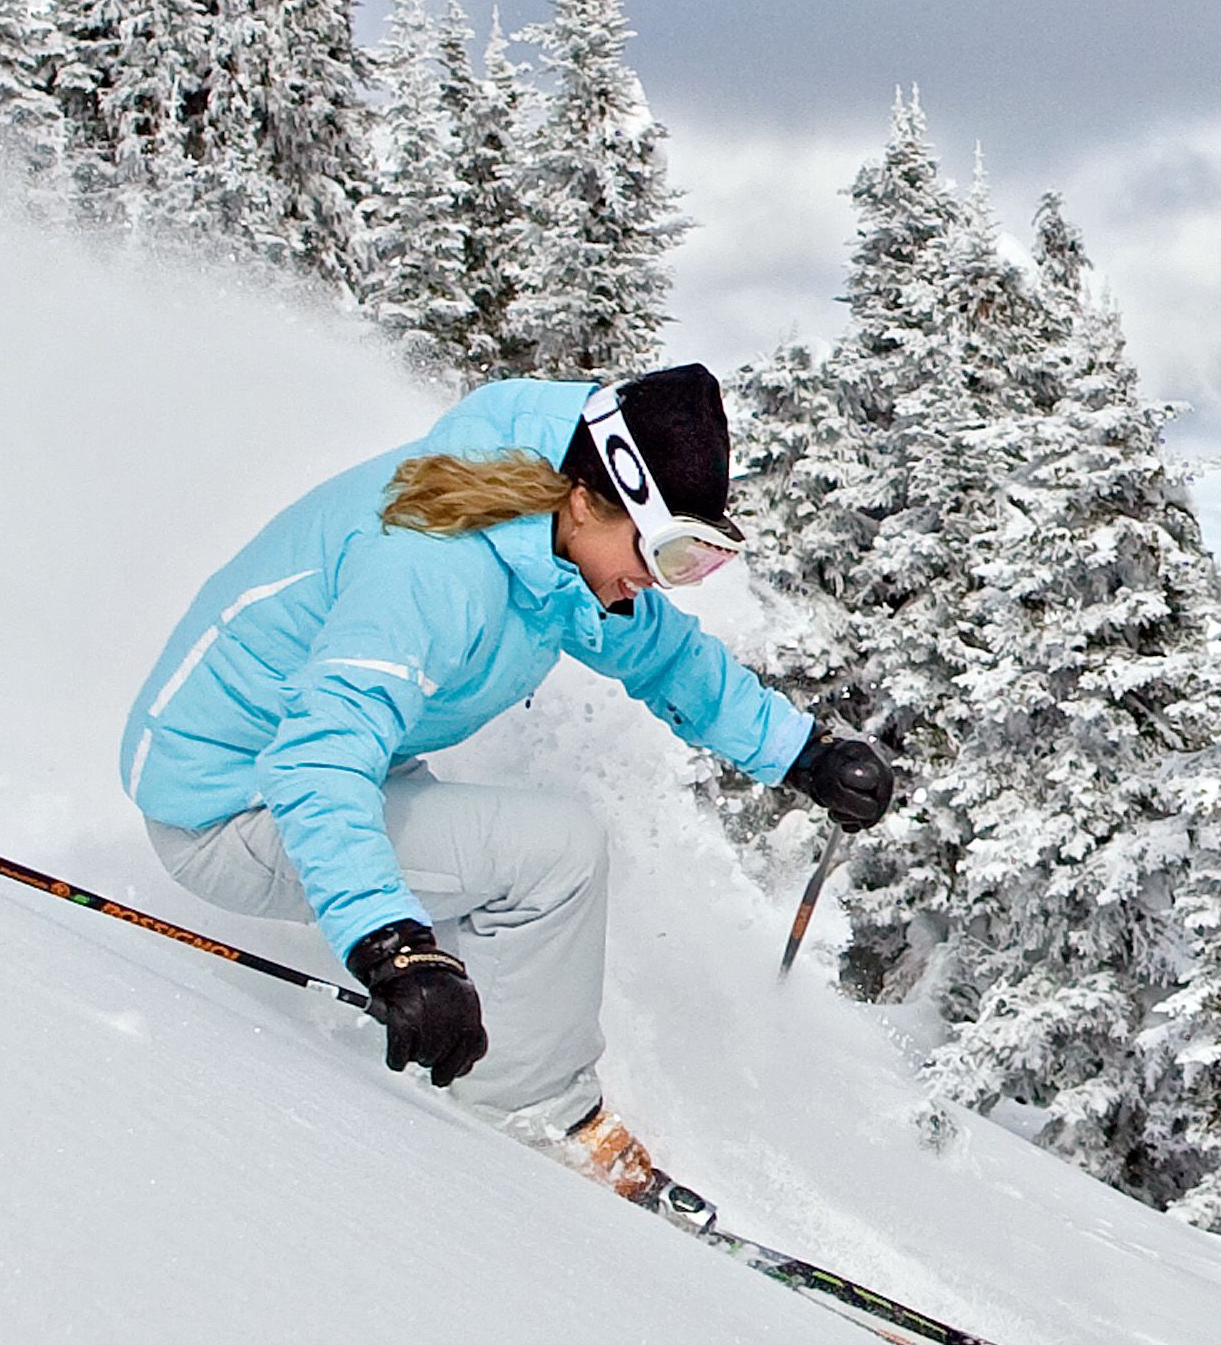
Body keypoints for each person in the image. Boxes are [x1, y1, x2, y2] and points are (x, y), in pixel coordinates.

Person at [119, 363, 896, 1201]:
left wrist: (800, 753)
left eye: (700, 560)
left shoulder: (545, 547)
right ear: (588, 498)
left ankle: (494, 1052)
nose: (664, 580)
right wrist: (391, 947)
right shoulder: (433, 569)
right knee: (553, 855)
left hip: (310, 767)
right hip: (231, 807)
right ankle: (532, 1117)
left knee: (513, 882)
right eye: (670, 551)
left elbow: (661, 653)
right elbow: (318, 759)